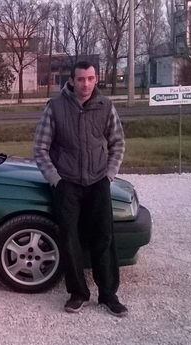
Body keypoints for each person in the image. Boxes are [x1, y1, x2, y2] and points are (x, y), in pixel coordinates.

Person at [32, 61, 128, 317]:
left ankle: (108, 294)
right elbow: (40, 149)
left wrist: (109, 175)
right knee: (70, 239)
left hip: (98, 182)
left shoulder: (105, 106)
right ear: (72, 81)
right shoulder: (55, 107)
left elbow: (117, 144)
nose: (86, 84)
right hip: (67, 184)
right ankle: (77, 293)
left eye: (91, 78)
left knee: (104, 238)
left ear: (96, 79)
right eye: (81, 79)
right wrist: (56, 180)